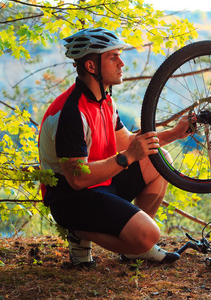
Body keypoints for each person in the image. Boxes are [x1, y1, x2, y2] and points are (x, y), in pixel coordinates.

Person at [38, 27, 191, 267]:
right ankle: (79, 232)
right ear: (91, 67)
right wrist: (126, 158)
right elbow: (77, 178)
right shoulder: (70, 112)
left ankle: (135, 248)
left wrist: (175, 133)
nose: (121, 63)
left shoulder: (105, 102)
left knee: (159, 160)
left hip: (102, 185)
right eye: (113, 57)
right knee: (150, 234)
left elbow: (131, 144)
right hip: (71, 198)